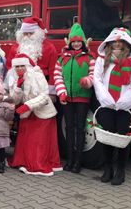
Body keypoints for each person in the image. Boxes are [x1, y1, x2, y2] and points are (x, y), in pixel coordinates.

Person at [93, 27, 131, 186]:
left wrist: (125, 101)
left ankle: (121, 171)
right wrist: (104, 97)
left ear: (125, 44)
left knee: (122, 138)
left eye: (120, 42)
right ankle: (108, 169)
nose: (117, 45)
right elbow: (97, 79)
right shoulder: (102, 59)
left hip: (125, 107)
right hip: (107, 104)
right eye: (114, 42)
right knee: (106, 137)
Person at [7, 54, 62, 176]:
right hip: (28, 115)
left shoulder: (37, 75)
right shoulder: (16, 79)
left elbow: (44, 96)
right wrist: (17, 88)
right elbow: (15, 100)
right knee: (25, 141)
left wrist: (28, 105)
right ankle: (23, 162)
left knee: (38, 142)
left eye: (22, 65)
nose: (19, 68)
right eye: (17, 66)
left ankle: (38, 165)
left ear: (27, 65)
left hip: (43, 113)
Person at [53, 23, 95, 173]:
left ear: (83, 42)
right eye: (74, 41)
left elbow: (93, 75)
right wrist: (61, 92)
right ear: (70, 42)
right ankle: (69, 160)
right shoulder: (62, 58)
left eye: (79, 41)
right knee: (69, 129)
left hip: (82, 98)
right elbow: (57, 76)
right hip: (67, 99)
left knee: (80, 128)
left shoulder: (89, 58)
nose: (76, 44)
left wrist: (87, 82)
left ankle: (78, 162)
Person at [6, 17, 58, 97]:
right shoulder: (15, 47)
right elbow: (9, 66)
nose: (28, 36)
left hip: (42, 85)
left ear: (38, 33)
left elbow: (53, 70)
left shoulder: (49, 47)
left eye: (31, 33)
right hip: (20, 85)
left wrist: (51, 92)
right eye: (25, 33)